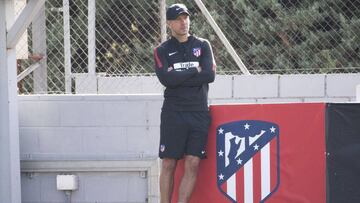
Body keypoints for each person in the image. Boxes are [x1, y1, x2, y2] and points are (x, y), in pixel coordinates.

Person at [153, 3, 216, 203]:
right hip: (173, 112)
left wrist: (179, 75)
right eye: (178, 19)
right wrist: (194, 71)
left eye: (186, 18)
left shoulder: (203, 45)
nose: (183, 22)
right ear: (169, 23)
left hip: (198, 112)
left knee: (193, 162)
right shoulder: (162, 50)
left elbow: (209, 75)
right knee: (169, 163)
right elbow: (167, 80)